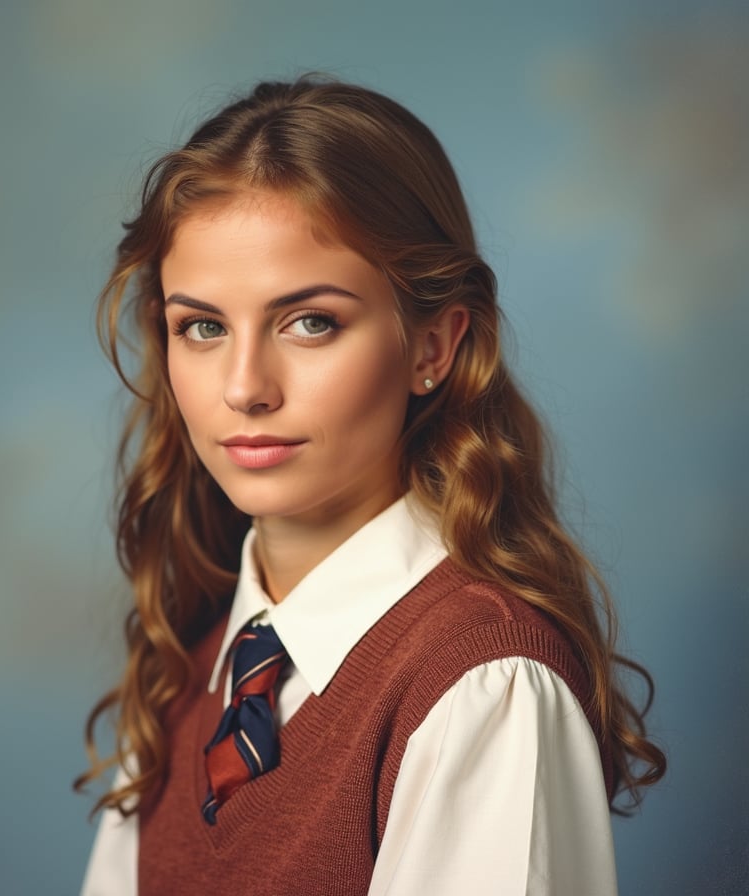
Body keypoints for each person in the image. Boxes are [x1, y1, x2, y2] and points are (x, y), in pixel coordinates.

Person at [75, 78, 665, 895]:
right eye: (202, 327)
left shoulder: (482, 688)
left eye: (310, 321)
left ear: (433, 346)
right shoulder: (189, 671)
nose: (245, 387)